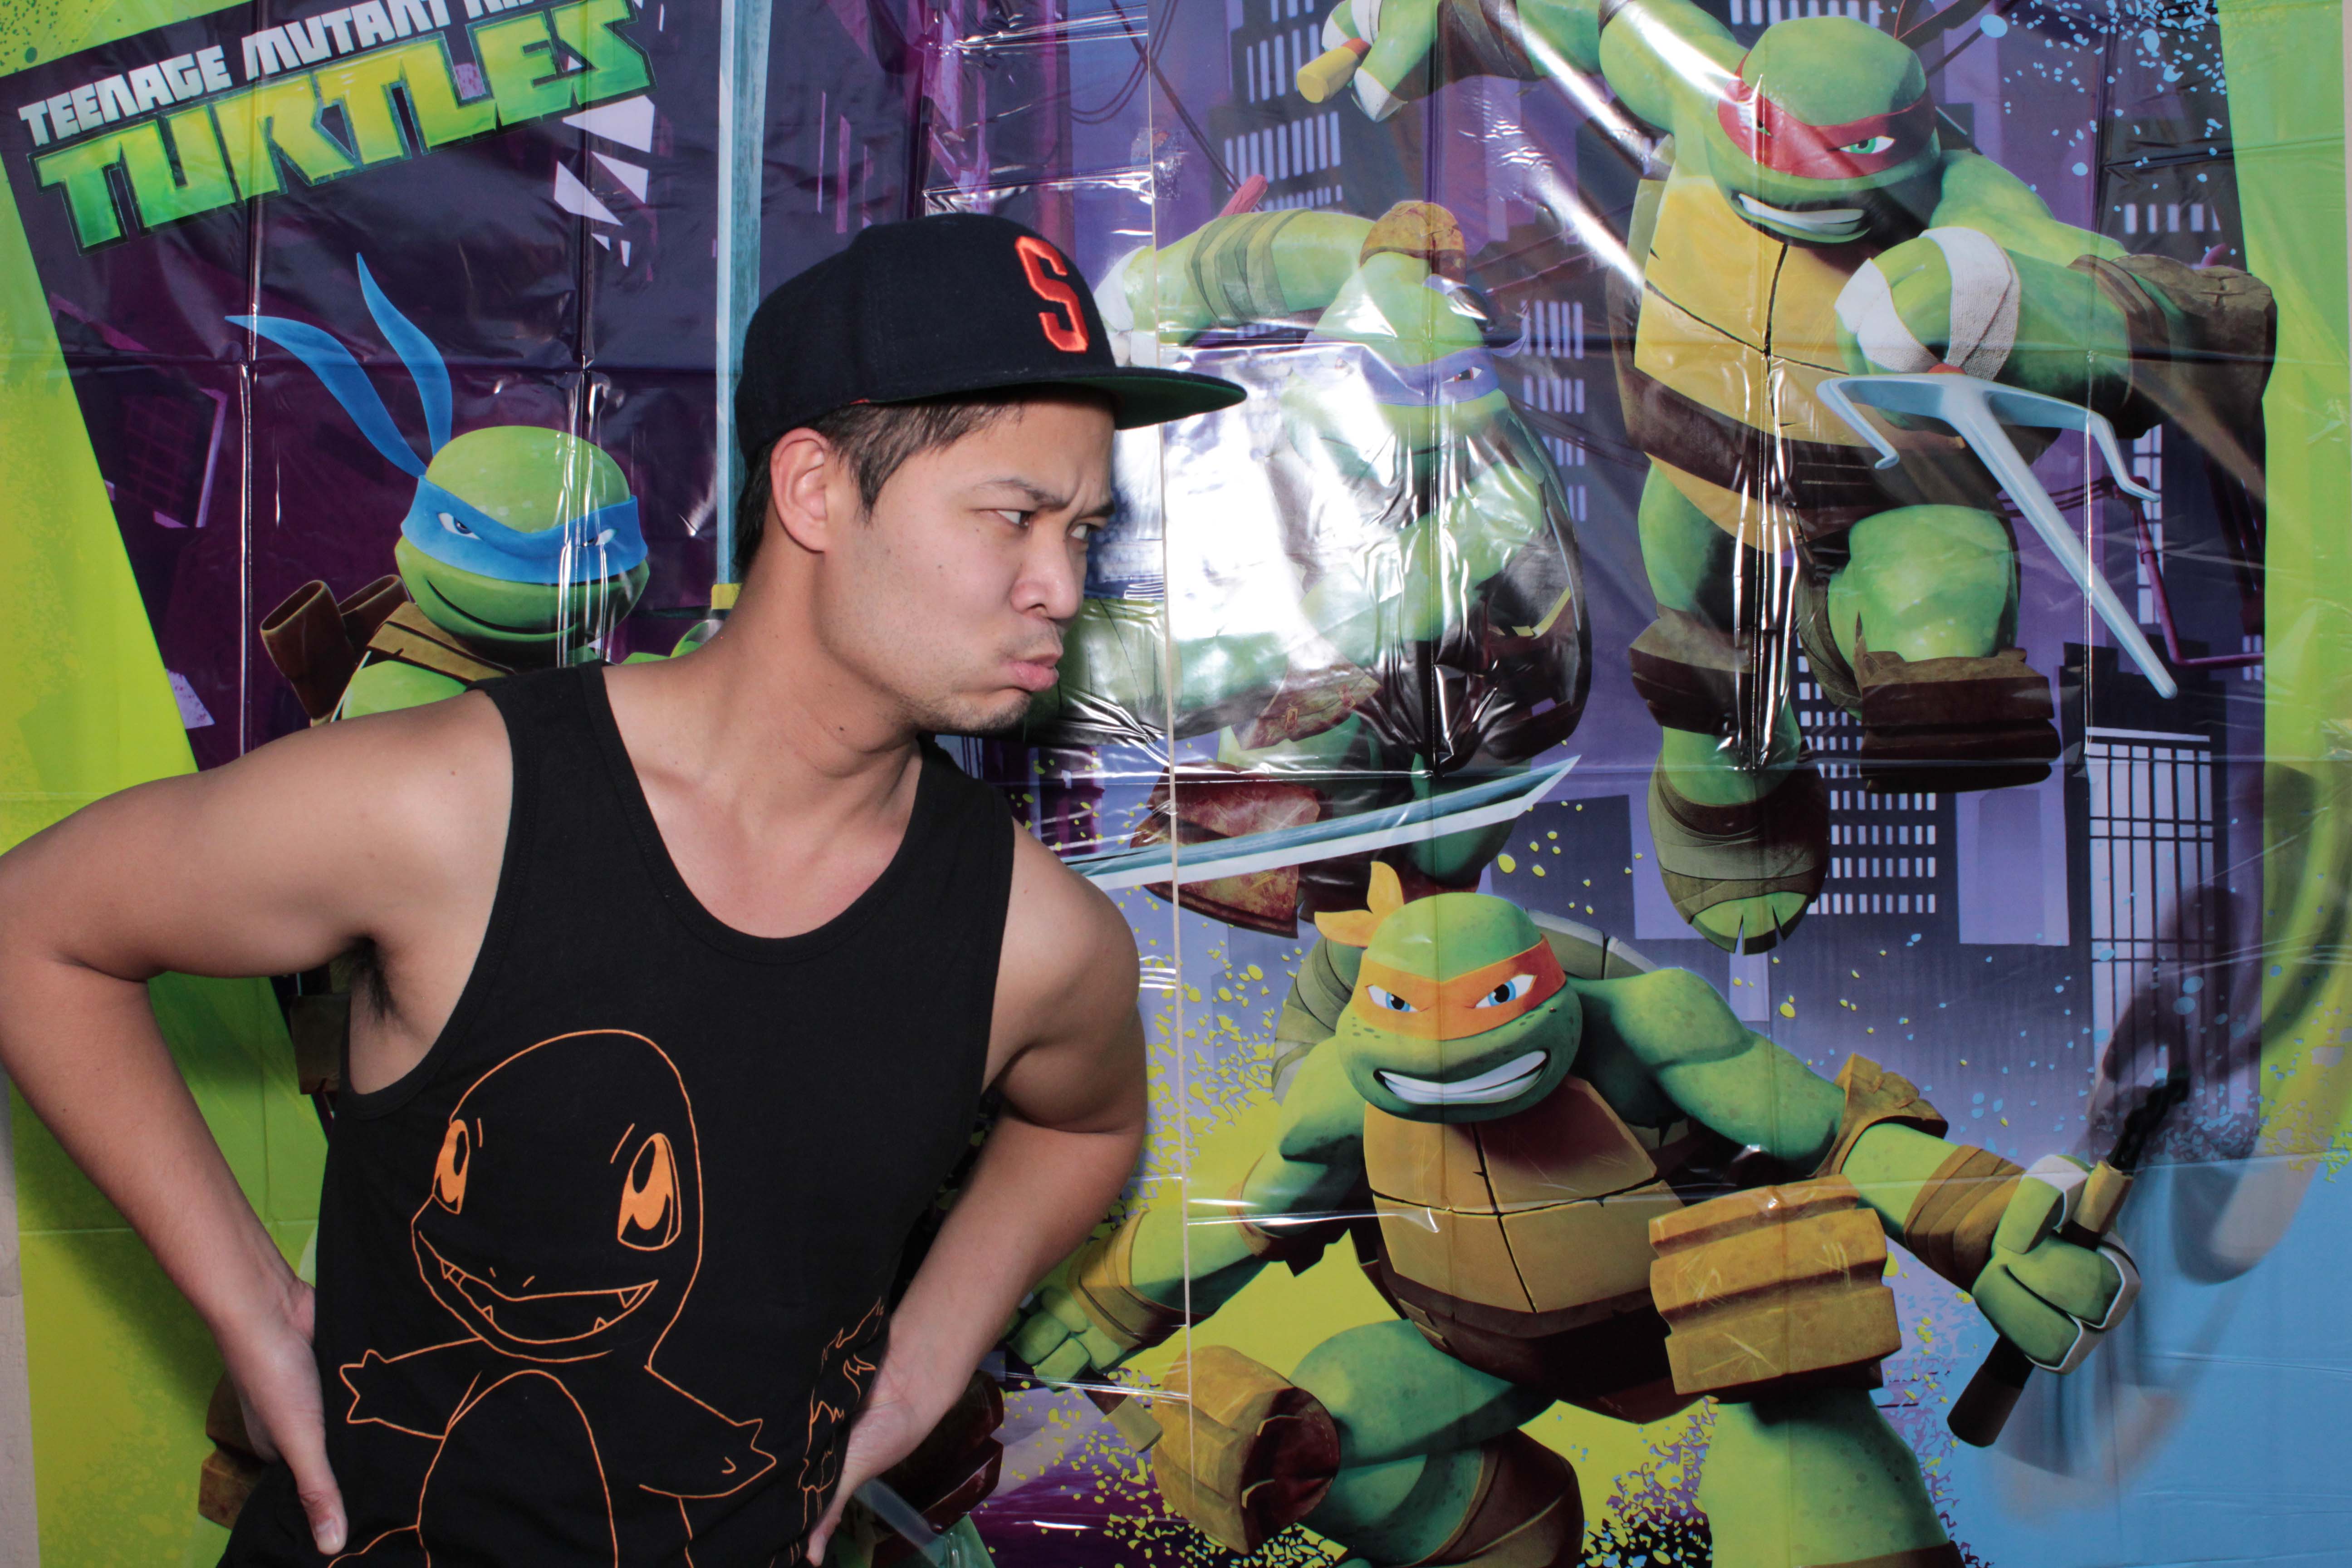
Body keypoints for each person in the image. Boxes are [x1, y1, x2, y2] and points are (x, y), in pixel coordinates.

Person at [0, 213, 1244, 1563]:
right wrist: (251, 1310)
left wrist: (919, 1371)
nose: (1059, 584)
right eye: (1013, 516)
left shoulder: (1038, 941)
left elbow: (1083, 1127)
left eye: (1083, 530)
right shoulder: (457, 806)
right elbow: (35, 927)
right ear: (816, 491)